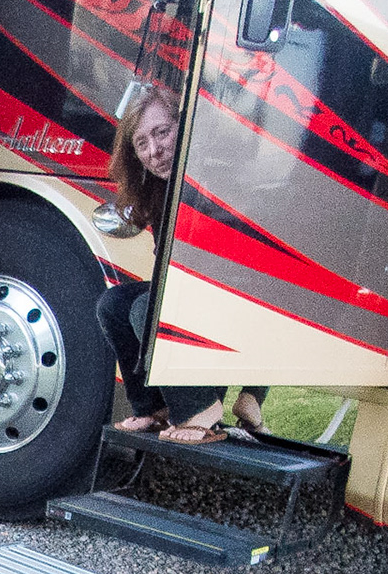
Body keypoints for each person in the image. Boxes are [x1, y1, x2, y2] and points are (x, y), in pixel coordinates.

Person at [95, 84, 267, 444]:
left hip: (242, 303)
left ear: (185, 126)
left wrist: (255, 384)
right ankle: (151, 407)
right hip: (199, 295)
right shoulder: (161, 191)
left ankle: (202, 408)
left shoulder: (213, 180)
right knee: (114, 305)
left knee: (149, 307)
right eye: (142, 143)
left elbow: (246, 274)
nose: (155, 151)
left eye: (162, 132)